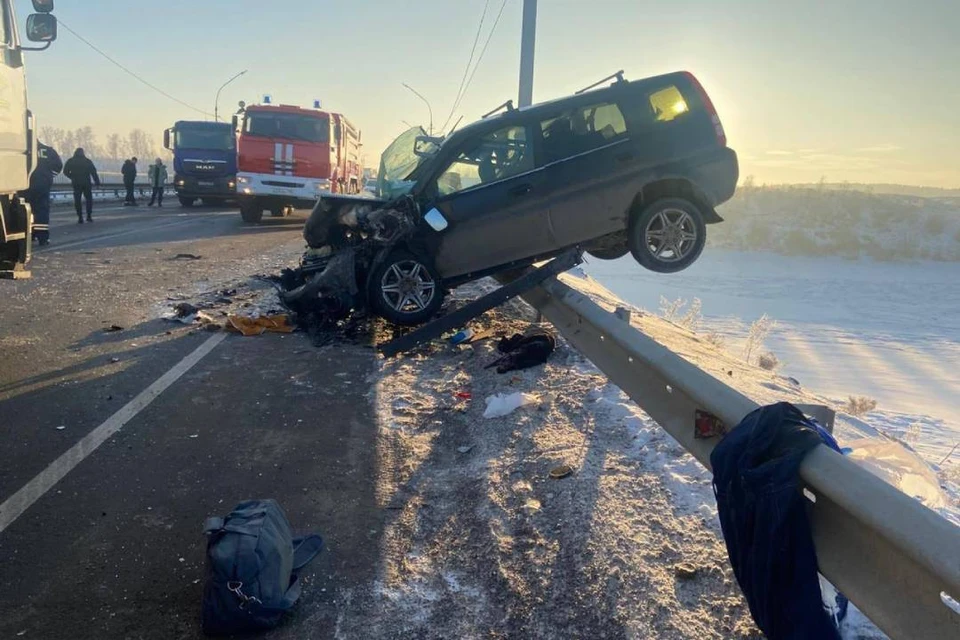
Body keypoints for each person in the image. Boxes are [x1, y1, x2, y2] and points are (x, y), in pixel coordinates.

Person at [27, 142, 63, 246]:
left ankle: (31, 234)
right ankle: (42, 237)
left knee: (27, 210)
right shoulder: (48, 150)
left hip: (25, 185)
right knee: (42, 209)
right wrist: (48, 176)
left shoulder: (24, 149)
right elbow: (58, 166)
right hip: (42, 185)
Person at [62, 148, 101, 223]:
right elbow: (93, 172)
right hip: (86, 183)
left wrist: (72, 176)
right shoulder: (87, 161)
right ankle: (89, 216)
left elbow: (65, 171)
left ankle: (80, 217)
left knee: (77, 200)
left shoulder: (71, 161)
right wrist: (97, 183)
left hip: (76, 183)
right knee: (89, 199)